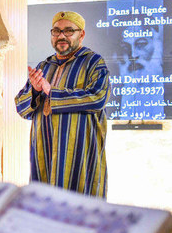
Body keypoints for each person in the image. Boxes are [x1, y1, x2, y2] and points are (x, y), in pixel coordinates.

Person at [15, 11, 110, 198]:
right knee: (45, 210)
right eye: (56, 31)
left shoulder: (93, 62)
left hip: (79, 153)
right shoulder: (44, 66)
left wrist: (53, 93)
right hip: (45, 151)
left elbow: (98, 97)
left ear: (81, 34)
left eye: (68, 31)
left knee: (80, 209)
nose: (61, 36)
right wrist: (35, 90)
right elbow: (21, 108)